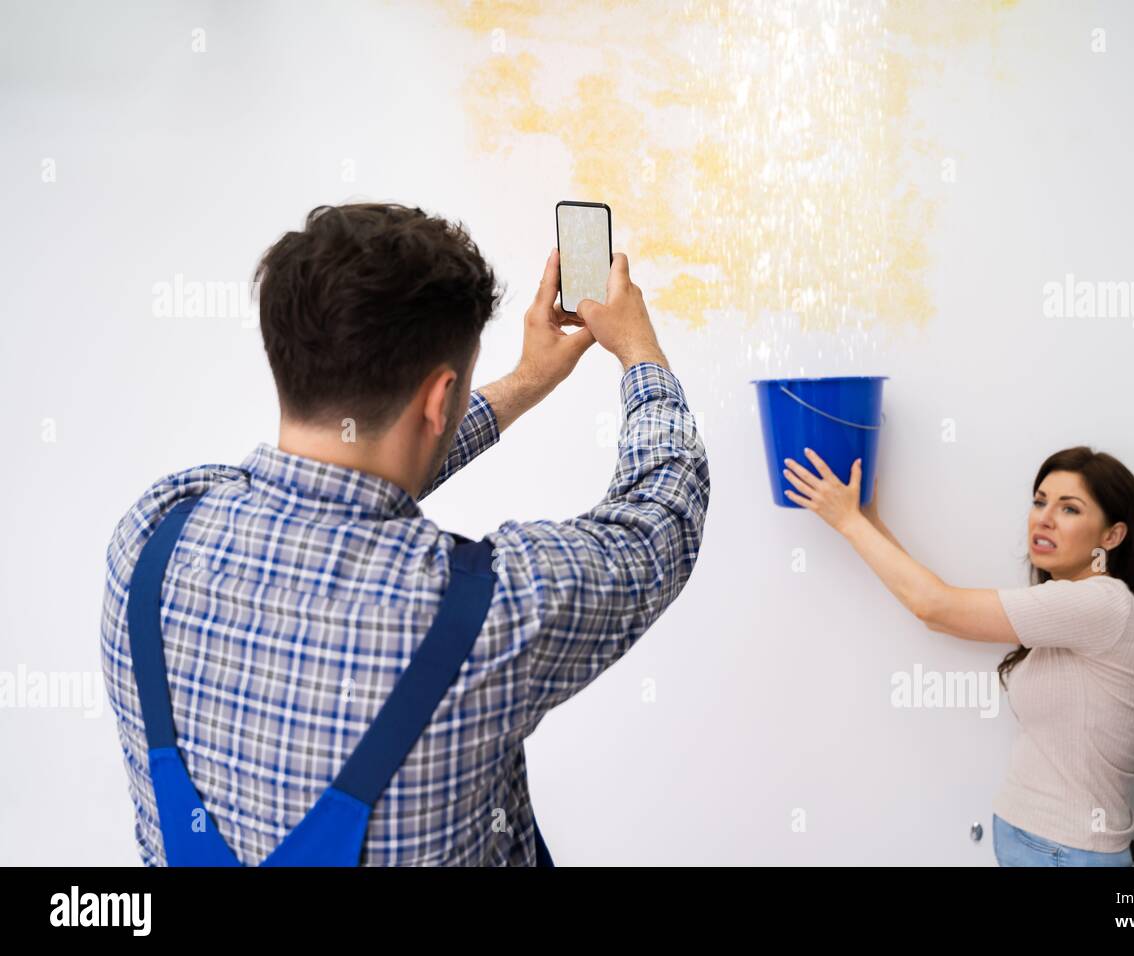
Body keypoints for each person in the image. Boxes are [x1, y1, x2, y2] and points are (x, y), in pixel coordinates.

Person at [99, 202, 710, 866]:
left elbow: (337, 477)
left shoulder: (153, 533)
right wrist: (640, 352)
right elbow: (661, 518)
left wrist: (527, 382)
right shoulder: (500, 614)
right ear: (439, 399)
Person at [782, 445, 1134, 866]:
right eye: (1039, 501)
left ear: (1112, 536)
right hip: (1030, 840)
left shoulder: (1102, 605)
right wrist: (869, 520)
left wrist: (847, 521)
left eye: (1069, 509)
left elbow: (936, 606)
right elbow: (936, 610)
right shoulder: (1071, 605)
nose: (1044, 517)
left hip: (1068, 852)